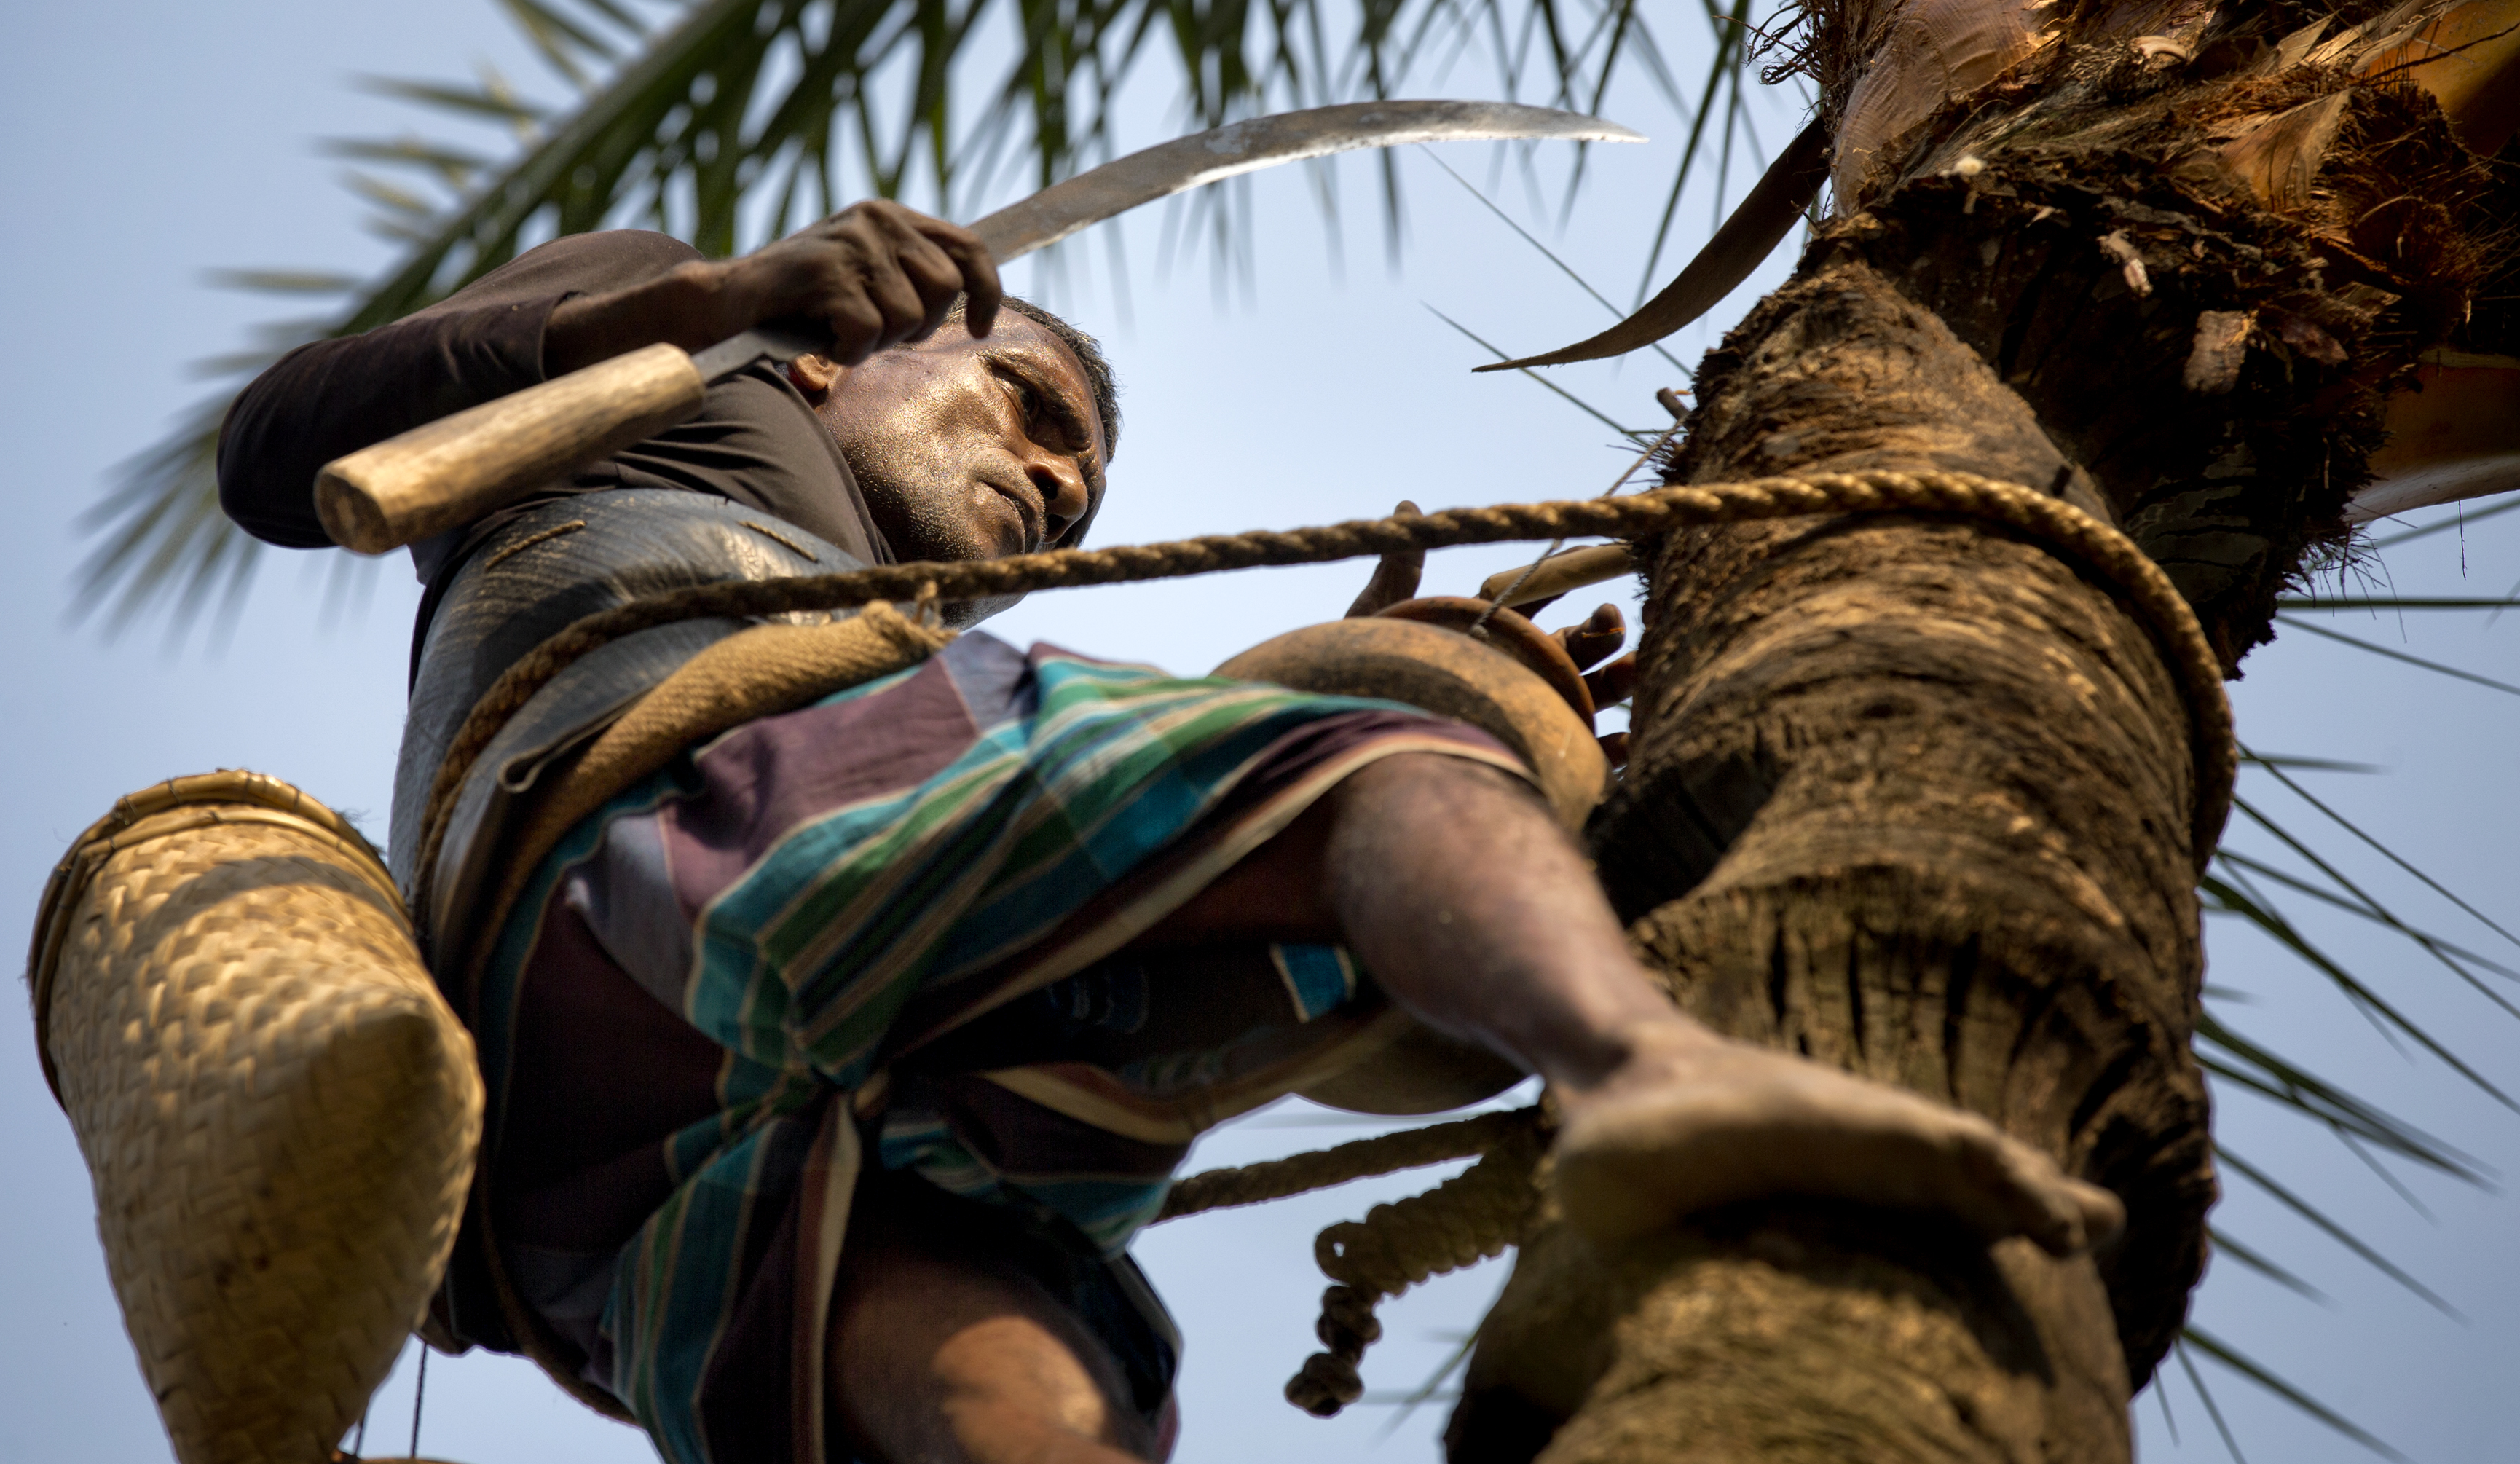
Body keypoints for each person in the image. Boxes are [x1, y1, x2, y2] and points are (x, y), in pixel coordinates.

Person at [220, 202, 2122, 1464]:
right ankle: (1650, 1070)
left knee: (1032, 1372)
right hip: (675, 833)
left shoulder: (879, 668)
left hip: (585, 1196)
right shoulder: (685, 367)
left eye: (1073, 483)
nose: (1049, 480)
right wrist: (713, 297)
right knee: (1373, 762)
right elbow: (277, 445)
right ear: (836, 355)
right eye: (1025, 403)